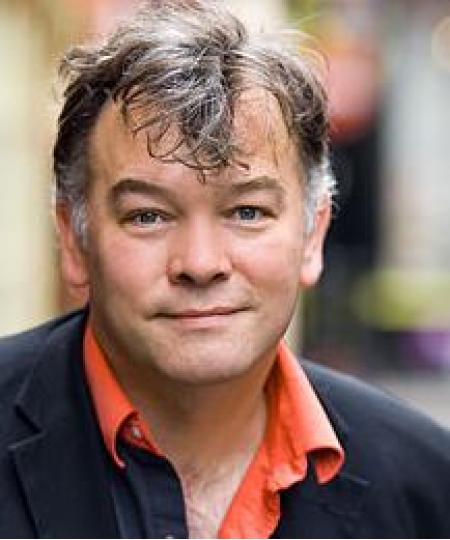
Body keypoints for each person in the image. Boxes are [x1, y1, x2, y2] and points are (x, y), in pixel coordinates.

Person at [0, 1, 449, 538]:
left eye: (247, 212)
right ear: (74, 240)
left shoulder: (426, 488)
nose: (201, 263)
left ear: (312, 236)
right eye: (148, 215)